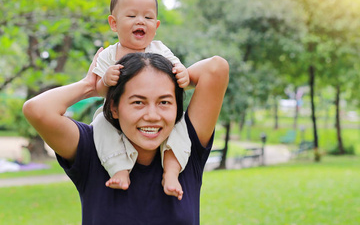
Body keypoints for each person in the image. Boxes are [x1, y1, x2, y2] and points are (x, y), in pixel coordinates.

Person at [22, 50, 228, 224]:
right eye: (138, 102)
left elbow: (216, 68)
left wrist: (176, 77)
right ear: (114, 107)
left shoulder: (185, 149)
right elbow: (37, 110)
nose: (152, 116)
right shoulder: (92, 149)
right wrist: (92, 86)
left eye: (164, 102)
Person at [91, 0, 190, 199]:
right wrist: (106, 79)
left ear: (156, 24)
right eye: (132, 15)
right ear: (114, 23)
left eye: (147, 17)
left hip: (154, 112)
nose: (140, 21)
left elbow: (177, 69)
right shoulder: (109, 55)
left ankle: (171, 173)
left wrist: (183, 73)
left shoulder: (159, 49)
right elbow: (98, 89)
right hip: (116, 114)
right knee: (99, 124)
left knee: (180, 126)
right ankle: (119, 169)